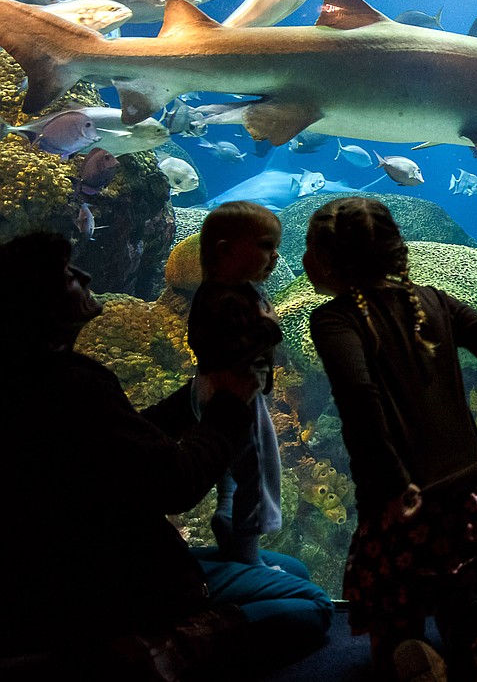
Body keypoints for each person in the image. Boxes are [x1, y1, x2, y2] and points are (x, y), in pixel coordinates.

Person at [0, 231, 332, 681]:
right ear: (39, 303)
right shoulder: (73, 385)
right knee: (312, 603)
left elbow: (124, 443)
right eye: (66, 275)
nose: (84, 274)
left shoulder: (36, 379)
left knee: (291, 567)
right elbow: (176, 484)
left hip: (81, 565)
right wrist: (229, 406)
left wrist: (196, 394)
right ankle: (157, 652)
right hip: (118, 581)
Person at [304, 196, 477, 682]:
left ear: (324, 262)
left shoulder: (334, 319)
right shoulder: (433, 299)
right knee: (460, 595)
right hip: (467, 487)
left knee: (394, 614)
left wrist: (393, 481)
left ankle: (412, 663)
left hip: (400, 499)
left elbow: (359, 395)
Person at [187, 201, 284, 566]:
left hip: (220, 390)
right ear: (225, 251)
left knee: (233, 463)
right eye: (264, 245)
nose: (274, 255)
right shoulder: (222, 299)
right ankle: (247, 557)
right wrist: (268, 330)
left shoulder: (230, 291)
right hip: (232, 392)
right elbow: (227, 349)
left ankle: (226, 515)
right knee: (258, 468)